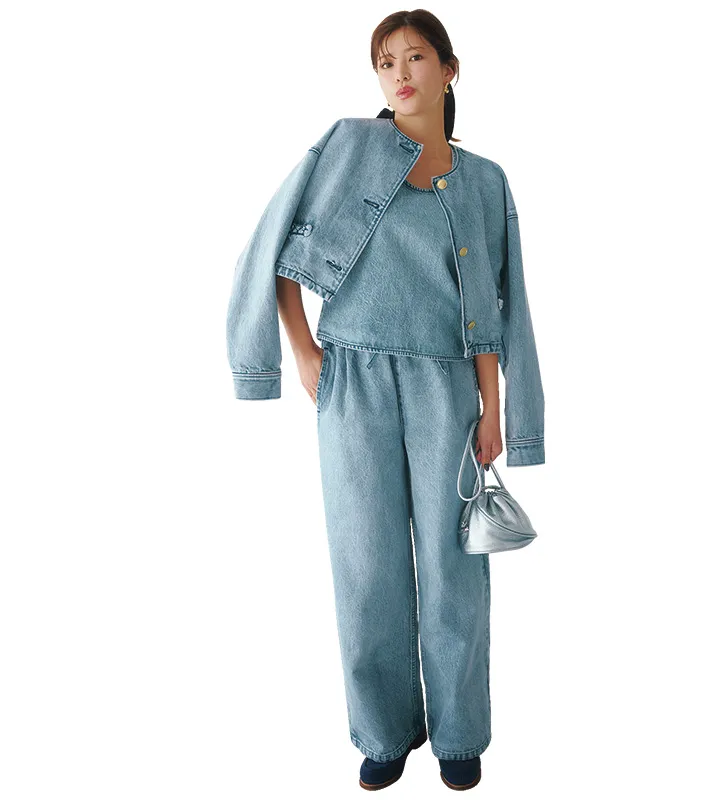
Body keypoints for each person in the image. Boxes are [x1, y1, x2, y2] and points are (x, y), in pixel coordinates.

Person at [226, 10, 545, 792]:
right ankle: (384, 731)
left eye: (415, 57)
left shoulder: (487, 181)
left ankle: (459, 734)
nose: (399, 73)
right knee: (366, 567)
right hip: (354, 381)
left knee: (453, 569)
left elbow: (495, 307)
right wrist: (301, 352)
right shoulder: (347, 147)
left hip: (448, 388)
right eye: (385, 61)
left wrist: (496, 409)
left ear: (450, 69)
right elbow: (273, 247)